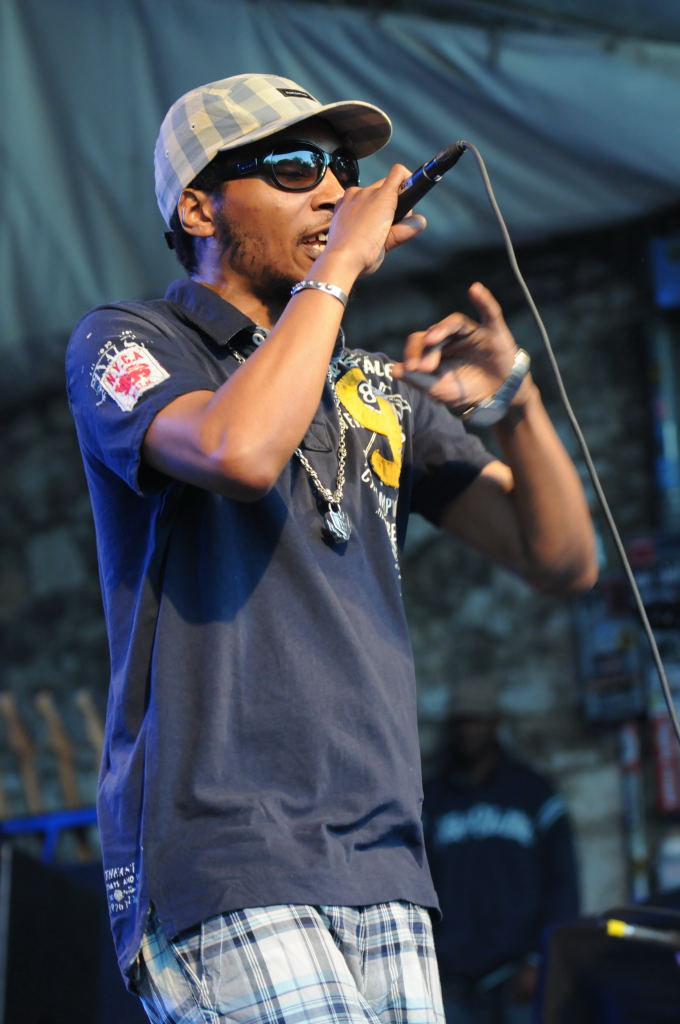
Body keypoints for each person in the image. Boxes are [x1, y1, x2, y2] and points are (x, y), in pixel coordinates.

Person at [65, 72, 597, 1024]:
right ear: (198, 207)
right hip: (225, 850)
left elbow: (559, 559)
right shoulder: (128, 340)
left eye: (341, 171)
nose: (332, 192)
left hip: (384, 861)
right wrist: (340, 265)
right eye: (293, 167)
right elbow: (237, 451)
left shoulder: (369, 388)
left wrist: (514, 403)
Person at [423, 677, 580, 1024]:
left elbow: (563, 884)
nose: (467, 731)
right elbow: (417, 882)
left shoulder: (533, 793)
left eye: (476, 720)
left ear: (495, 723)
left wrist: (540, 960)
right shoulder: (431, 800)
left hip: (517, 975)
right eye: (460, 722)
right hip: (452, 978)